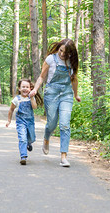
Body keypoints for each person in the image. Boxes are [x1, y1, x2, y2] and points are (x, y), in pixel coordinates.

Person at [29, 38, 81, 167]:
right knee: (51, 123)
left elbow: (74, 80)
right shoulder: (51, 59)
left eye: (65, 52)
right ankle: (46, 138)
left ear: (71, 53)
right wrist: (35, 89)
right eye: (61, 50)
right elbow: (42, 76)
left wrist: (76, 94)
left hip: (66, 95)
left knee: (64, 124)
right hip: (51, 93)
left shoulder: (72, 62)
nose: (62, 54)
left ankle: (63, 156)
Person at [6, 79, 43, 165]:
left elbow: (34, 107)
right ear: (19, 88)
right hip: (20, 122)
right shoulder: (16, 99)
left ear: (30, 89)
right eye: (23, 87)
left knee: (32, 138)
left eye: (27, 87)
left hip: (30, 122)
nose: (25, 89)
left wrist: (32, 98)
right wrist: (9, 120)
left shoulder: (31, 98)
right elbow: (11, 110)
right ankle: (23, 156)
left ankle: (28, 143)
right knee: (22, 138)